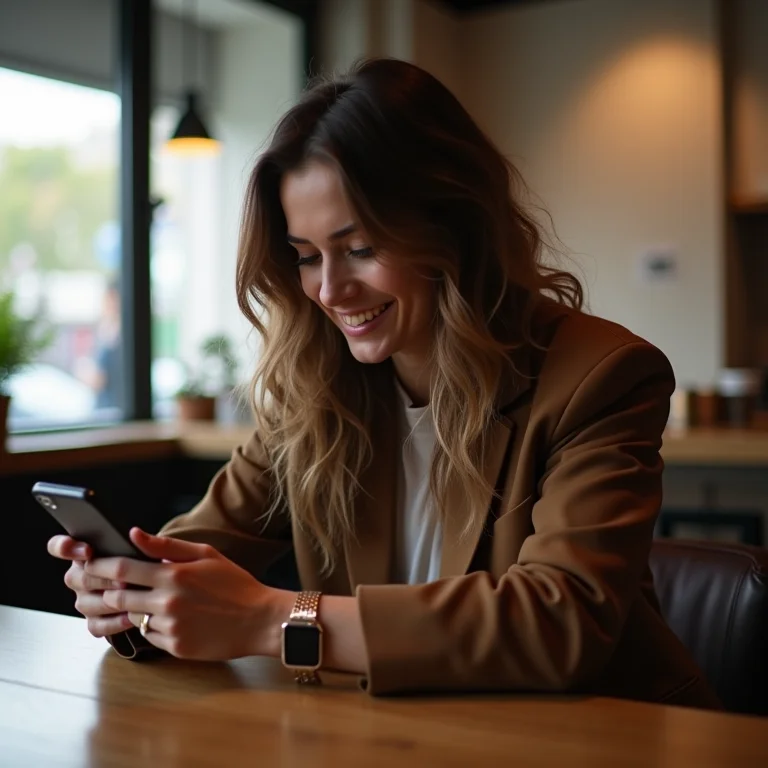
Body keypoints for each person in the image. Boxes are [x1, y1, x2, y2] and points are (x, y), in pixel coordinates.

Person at [48, 58, 720, 708]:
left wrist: (274, 619)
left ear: (454, 226)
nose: (331, 291)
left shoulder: (602, 375)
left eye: (362, 248)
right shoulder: (314, 389)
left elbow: (560, 621)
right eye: (307, 257)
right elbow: (196, 555)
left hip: (601, 737)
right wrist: (133, 592)